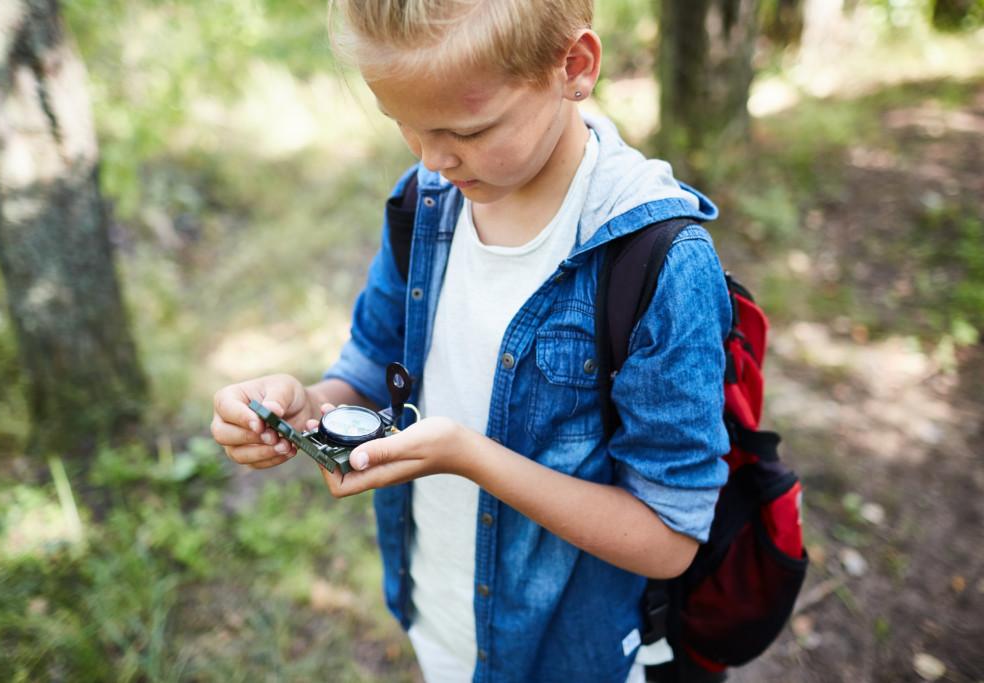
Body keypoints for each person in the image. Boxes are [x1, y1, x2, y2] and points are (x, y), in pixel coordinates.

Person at [211, 2, 731, 681]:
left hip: (571, 655)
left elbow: (668, 535)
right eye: (405, 124)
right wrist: (307, 401)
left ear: (574, 67)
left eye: (468, 129)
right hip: (443, 617)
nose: (433, 158)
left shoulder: (657, 260)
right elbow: (371, 364)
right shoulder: (427, 201)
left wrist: (471, 457)